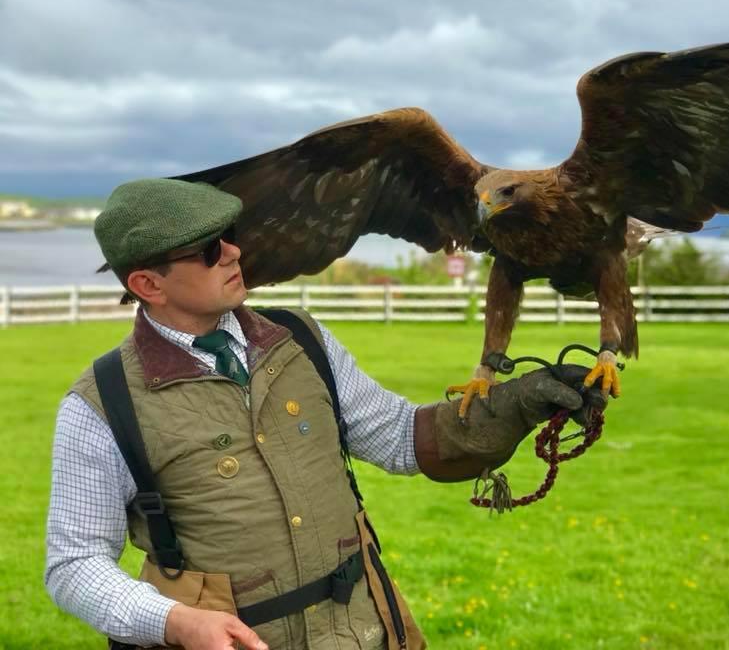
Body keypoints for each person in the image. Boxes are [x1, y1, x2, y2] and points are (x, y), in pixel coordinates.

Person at [45, 178, 597, 650]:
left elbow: (404, 438)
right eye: (209, 249)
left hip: (362, 631)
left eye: (231, 237)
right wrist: (174, 622)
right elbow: (73, 564)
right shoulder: (102, 402)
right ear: (147, 284)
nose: (234, 253)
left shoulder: (301, 340)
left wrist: (517, 403)